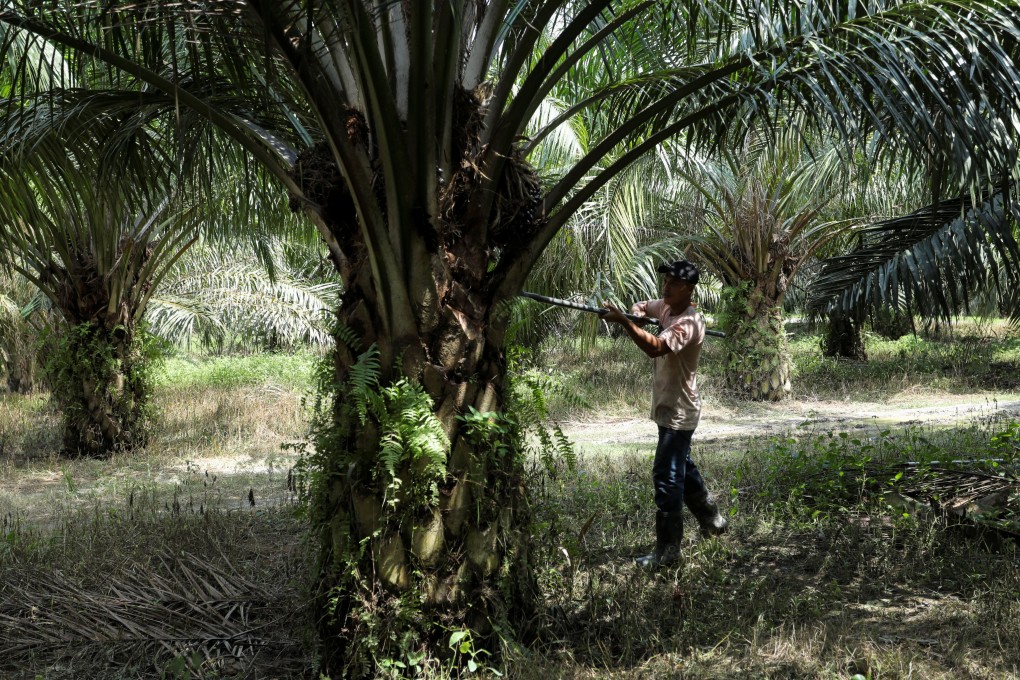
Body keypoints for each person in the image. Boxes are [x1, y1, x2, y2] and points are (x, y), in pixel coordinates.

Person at [602, 260, 727, 568]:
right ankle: (713, 520)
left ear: (689, 289)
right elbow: (645, 305)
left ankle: (669, 550)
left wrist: (624, 322)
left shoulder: (689, 323)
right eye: (666, 280)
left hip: (679, 411)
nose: (666, 286)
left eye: (673, 283)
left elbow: (657, 347)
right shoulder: (668, 307)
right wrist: (638, 314)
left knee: (667, 476)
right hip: (667, 406)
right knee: (681, 465)